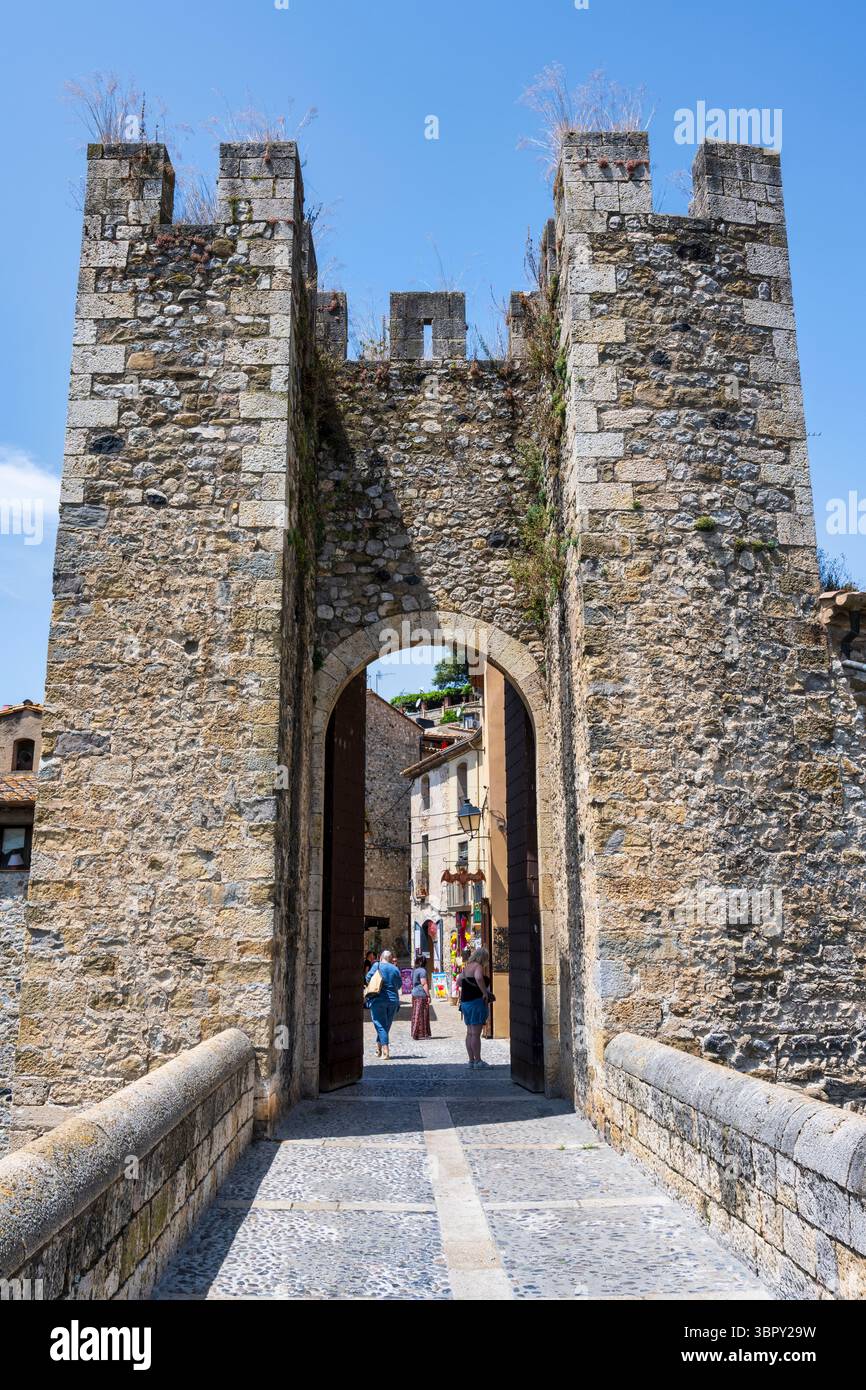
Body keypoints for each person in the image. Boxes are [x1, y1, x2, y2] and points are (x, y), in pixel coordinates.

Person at [457, 947, 493, 1068]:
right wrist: (484, 992)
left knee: (470, 1033)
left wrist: (468, 987)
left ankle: (471, 1061)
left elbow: (459, 981)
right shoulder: (478, 966)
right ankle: (478, 1061)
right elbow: (478, 977)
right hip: (475, 1003)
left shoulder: (467, 967)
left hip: (465, 1003)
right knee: (476, 1034)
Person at [365, 948, 402, 1059]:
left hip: (378, 999)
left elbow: (367, 978)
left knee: (380, 1025)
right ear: (390, 959)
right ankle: (378, 1049)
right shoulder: (395, 969)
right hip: (393, 1001)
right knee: (385, 1026)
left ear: (381, 957)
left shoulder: (377, 966)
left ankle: (385, 1051)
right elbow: (399, 985)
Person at [410, 950, 431, 1040]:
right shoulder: (422, 971)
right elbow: (424, 983)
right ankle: (420, 1033)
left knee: (416, 1013)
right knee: (422, 1014)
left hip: (414, 993)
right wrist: (428, 995)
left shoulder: (414, 970)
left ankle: (416, 1032)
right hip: (421, 993)